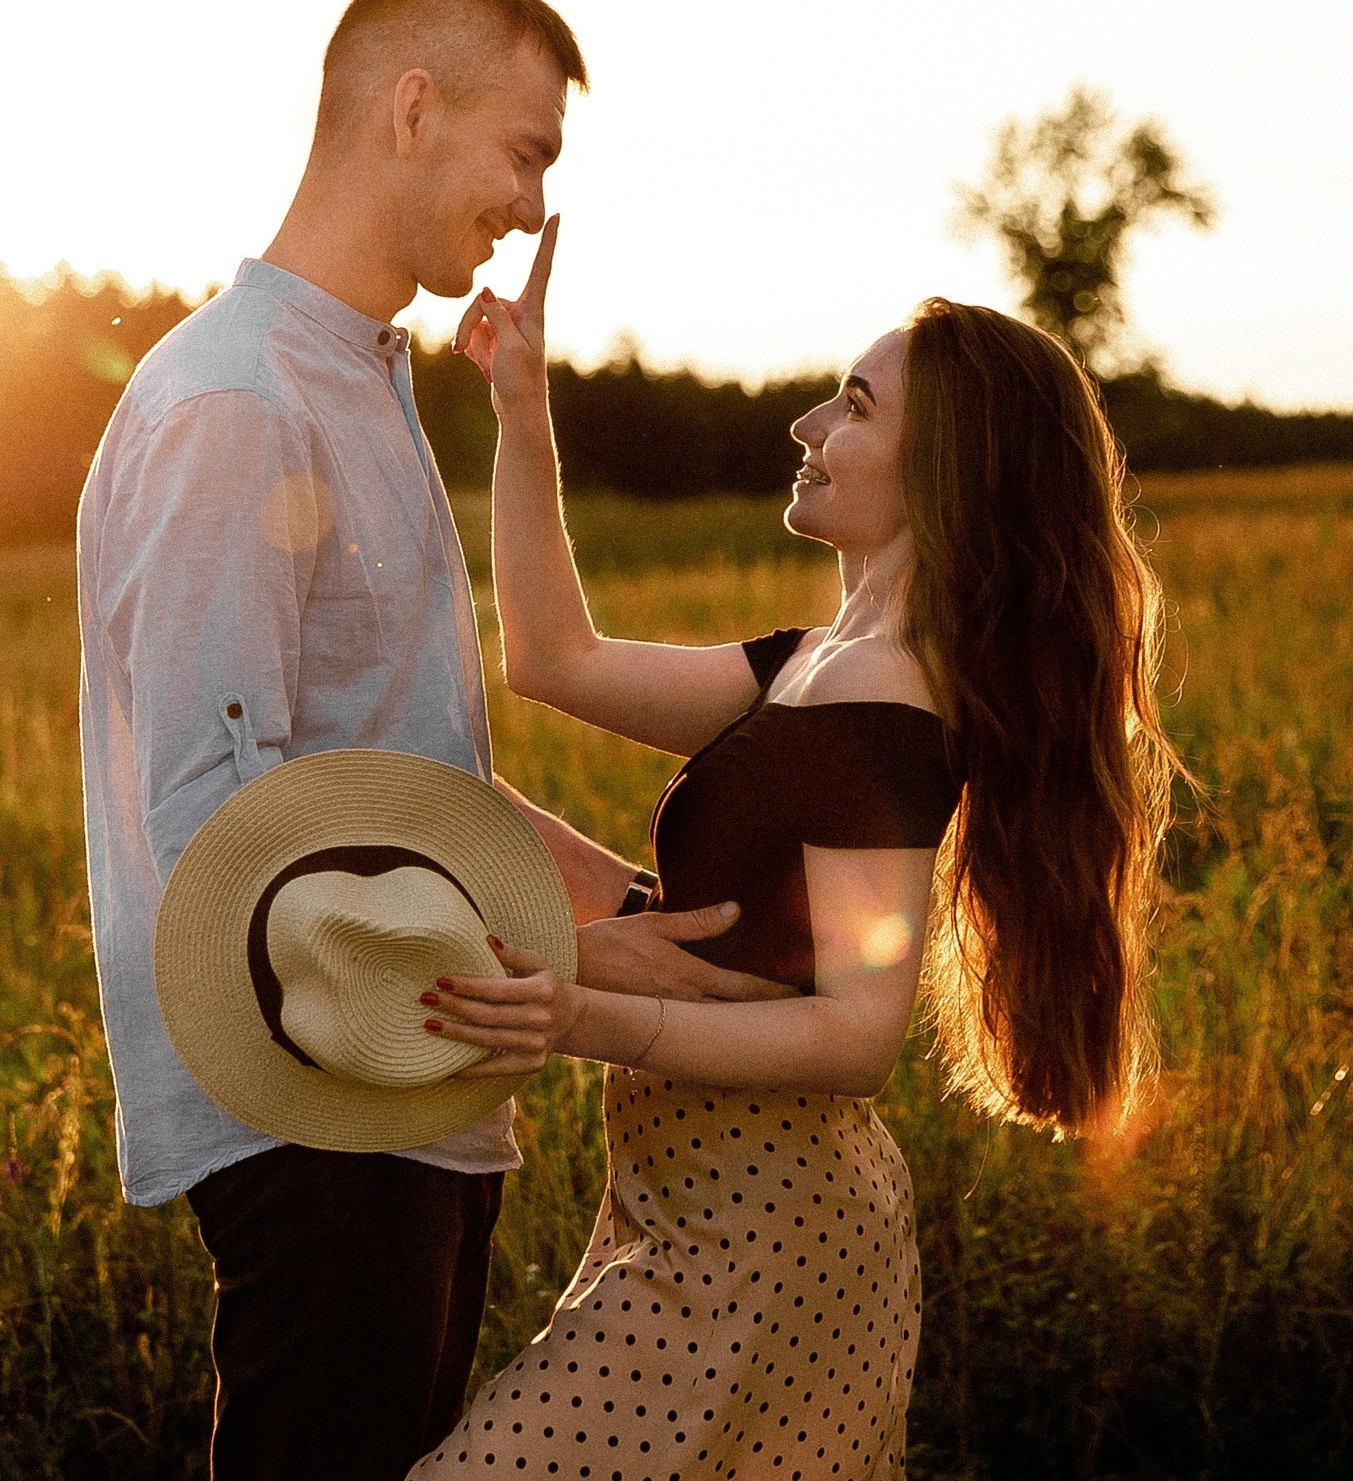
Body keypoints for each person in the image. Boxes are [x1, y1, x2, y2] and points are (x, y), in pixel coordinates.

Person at [75, 0, 787, 1481]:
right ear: (412, 109)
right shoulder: (239, 400)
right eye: (524, 152)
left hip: (418, 1085)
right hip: (313, 1097)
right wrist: (575, 950)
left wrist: (651, 912)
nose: (533, 207)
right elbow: (222, 825)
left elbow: (408, 781)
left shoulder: (362, 381)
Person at [413, 281, 1186, 1477]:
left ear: (942, 474)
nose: (806, 428)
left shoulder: (885, 697)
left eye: (854, 408)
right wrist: (522, 402)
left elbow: (855, 1037)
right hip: (696, 1209)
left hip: (764, 1232)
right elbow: (553, 659)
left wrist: (578, 1016)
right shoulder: (813, 666)